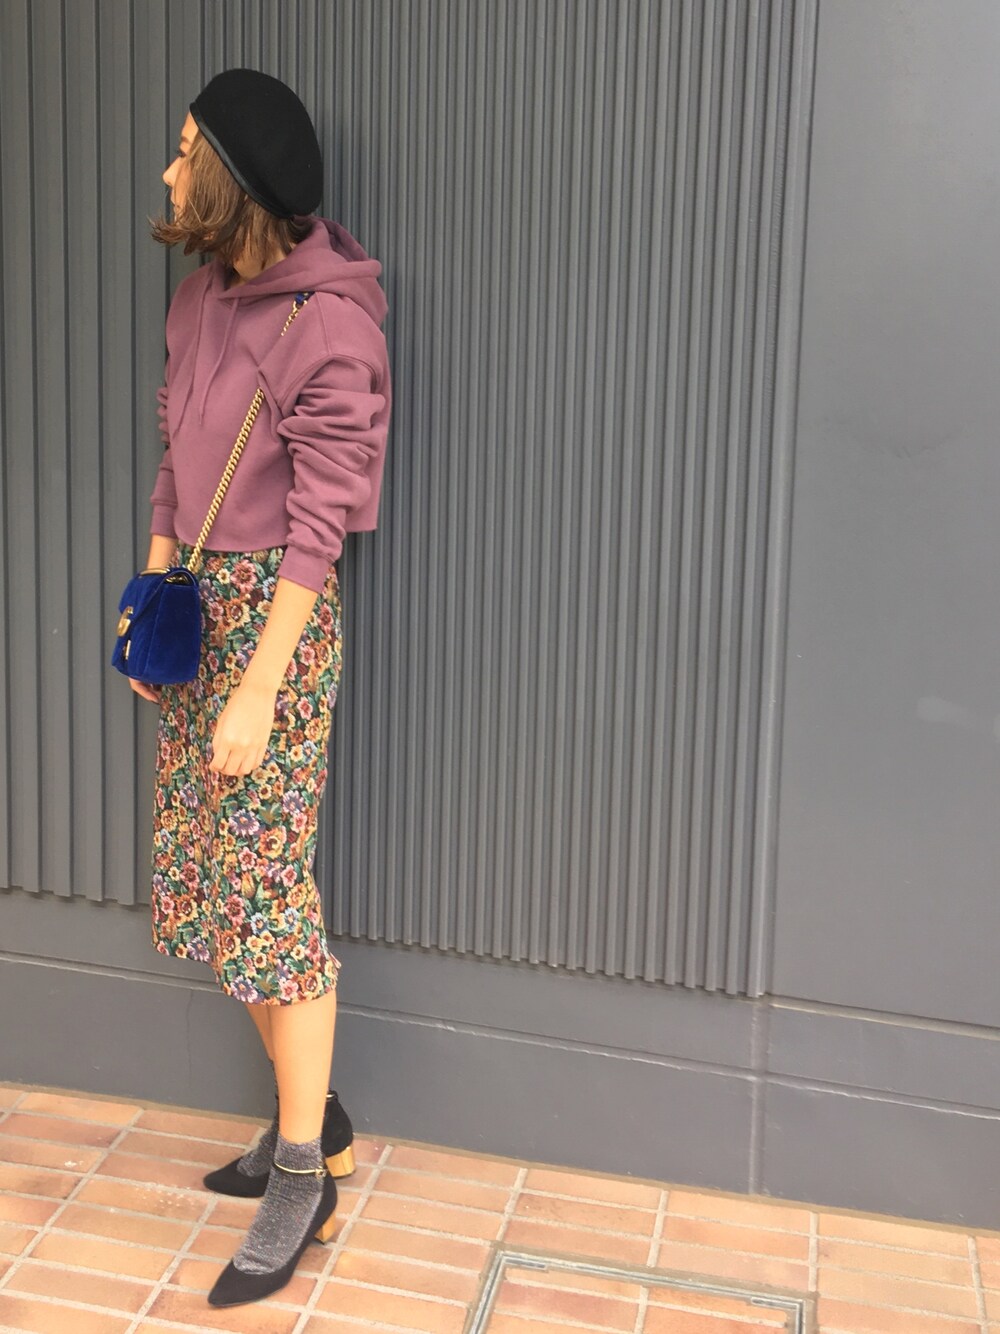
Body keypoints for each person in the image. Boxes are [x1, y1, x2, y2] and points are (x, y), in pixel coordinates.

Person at [136, 68, 391, 1308]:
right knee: (207, 879)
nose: (168, 168)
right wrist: (151, 596)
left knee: (269, 889)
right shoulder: (197, 300)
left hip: (275, 625)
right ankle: (316, 1114)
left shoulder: (329, 324)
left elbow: (320, 523)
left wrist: (257, 686)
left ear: (231, 178)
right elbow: (174, 460)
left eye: (187, 150)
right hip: (200, 608)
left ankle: (302, 1172)